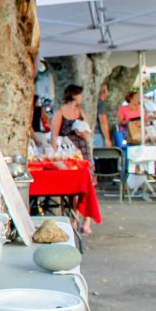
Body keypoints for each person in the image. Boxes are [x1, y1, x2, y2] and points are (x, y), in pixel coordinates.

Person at [50, 85, 94, 233]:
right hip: (68, 151)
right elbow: (54, 135)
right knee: (73, 187)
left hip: (82, 150)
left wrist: (83, 133)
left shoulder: (80, 112)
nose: (81, 97)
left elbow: (87, 131)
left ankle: (86, 220)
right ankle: (74, 218)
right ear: (74, 95)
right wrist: (56, 155)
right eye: (80, 95)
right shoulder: (60, 112)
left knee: (88, 185)